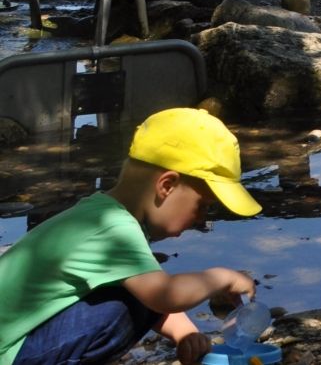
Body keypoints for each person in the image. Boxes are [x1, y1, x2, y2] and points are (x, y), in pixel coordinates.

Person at [0, 107, 262, 365]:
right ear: (167, 186)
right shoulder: (111, 229)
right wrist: (220, 277)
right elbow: (164, 295)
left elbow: (151, 293)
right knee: (126, 306)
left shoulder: (102, 216)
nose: (203, 219)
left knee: (136, 291)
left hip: (17, 342)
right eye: (202, 205)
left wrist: (184, 331)